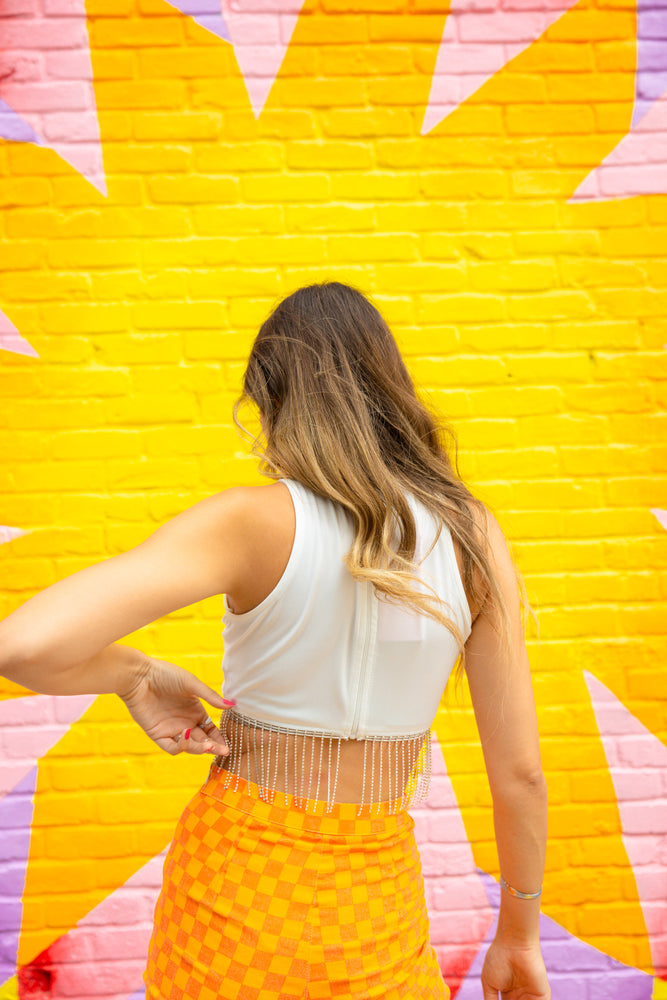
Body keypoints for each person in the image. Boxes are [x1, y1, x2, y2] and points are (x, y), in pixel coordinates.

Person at [0, 280, 550, 1000]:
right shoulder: (473, 537)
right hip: (375, 908)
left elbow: (22, 645)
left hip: (233, 894)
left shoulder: (247, 523)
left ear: (270, 402)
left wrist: (134, 675)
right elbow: (520, 777)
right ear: (390, 388)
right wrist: (518, 935)